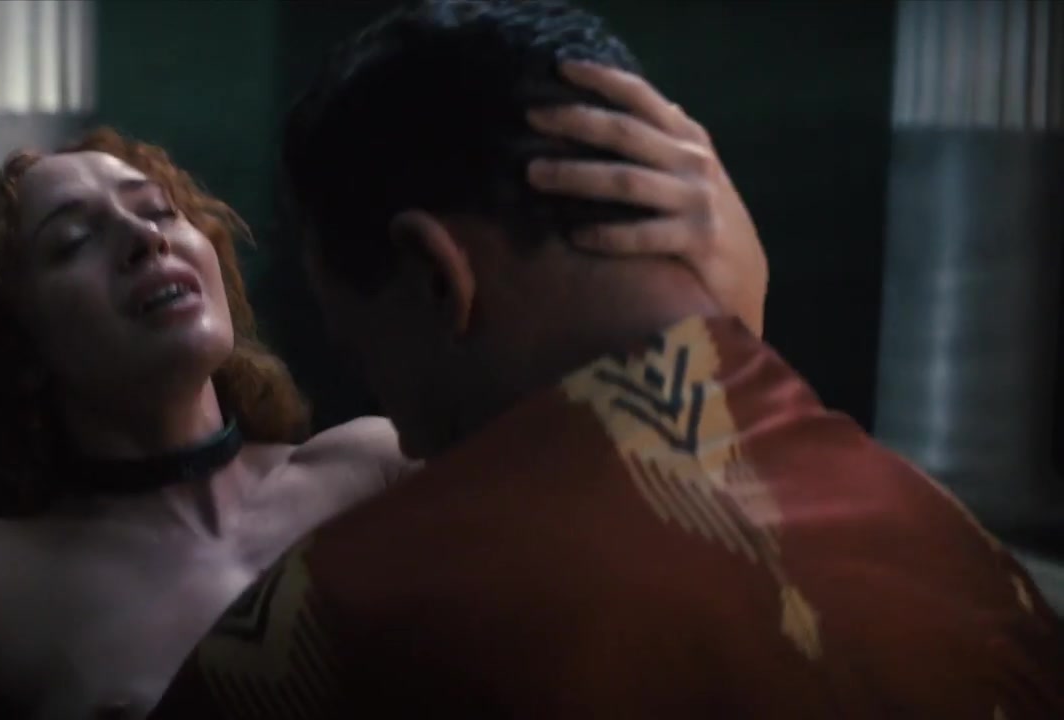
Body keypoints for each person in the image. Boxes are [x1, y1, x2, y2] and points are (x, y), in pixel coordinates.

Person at [149, 1, 1064, 718]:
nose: (410, 440)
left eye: (364, 349)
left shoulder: (335, 630)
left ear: (435, 275)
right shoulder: (968, 559)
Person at [0, 80, 767, 717]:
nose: (146, 239)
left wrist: (727, 307)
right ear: (18, 350)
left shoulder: (376, 467)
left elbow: (641, 534)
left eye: (158, 210)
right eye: (74, 240)